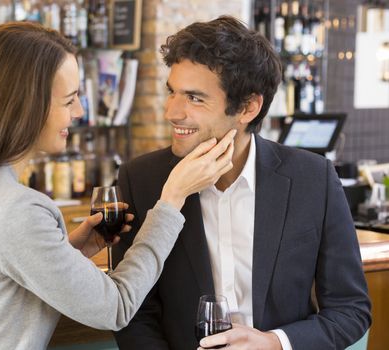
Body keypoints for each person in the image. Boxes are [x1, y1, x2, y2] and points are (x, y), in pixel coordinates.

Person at [0, 22, 236, 350]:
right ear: (25, 106)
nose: (79, 111)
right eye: (69, 100)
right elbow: (116, 308)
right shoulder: (16, 210)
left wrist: (65, 251)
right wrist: (170, 200)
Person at [112, 16, 371, 350]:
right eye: (172, 92)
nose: (172, 112)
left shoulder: (313, 179)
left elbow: (350, 310)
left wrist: (275, 343)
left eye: (194, 98)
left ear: (248, 107)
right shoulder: (141, 180)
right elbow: (134, 314)